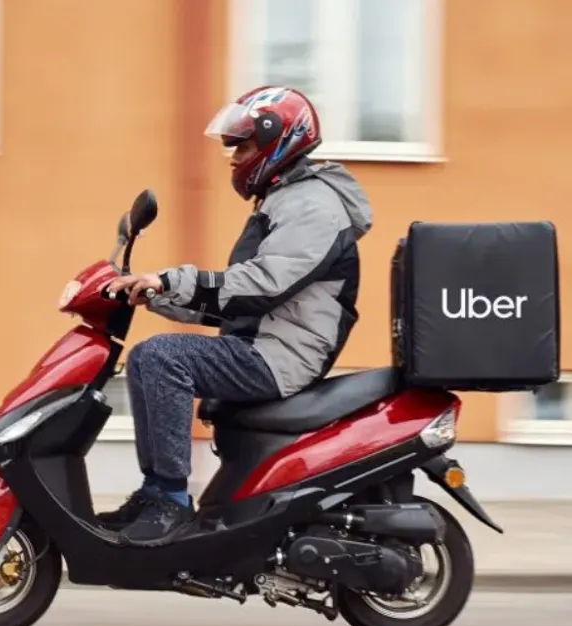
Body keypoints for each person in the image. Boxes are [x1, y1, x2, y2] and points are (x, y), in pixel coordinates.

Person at [99, 85, 374, 546]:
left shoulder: (312, 204)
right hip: (262, 343)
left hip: (279, 357)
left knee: (162, 358)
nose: (233, 157)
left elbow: (265, 284)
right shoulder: (286, 199)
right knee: (149, 359)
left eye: (242, 145)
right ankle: (155, 494)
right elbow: (242, 298)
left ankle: (169, 500)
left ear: (277, 142)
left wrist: (170, 280)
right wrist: (154, 296)